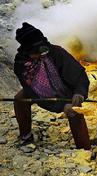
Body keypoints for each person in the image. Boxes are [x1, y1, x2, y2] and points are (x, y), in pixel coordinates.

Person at [13, 22, 91, 150]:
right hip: (38, 91)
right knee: (20, 99)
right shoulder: (22, 65)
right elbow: (35, 94)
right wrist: (61, 106)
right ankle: (25, 136)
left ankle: (84, 149)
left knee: (74, 110)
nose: (43, 55)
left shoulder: (56, 52)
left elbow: (78, 74)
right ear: (27, 51)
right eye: (37, 52)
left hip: (64, 87)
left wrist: (79, 93)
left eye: (44, 50)